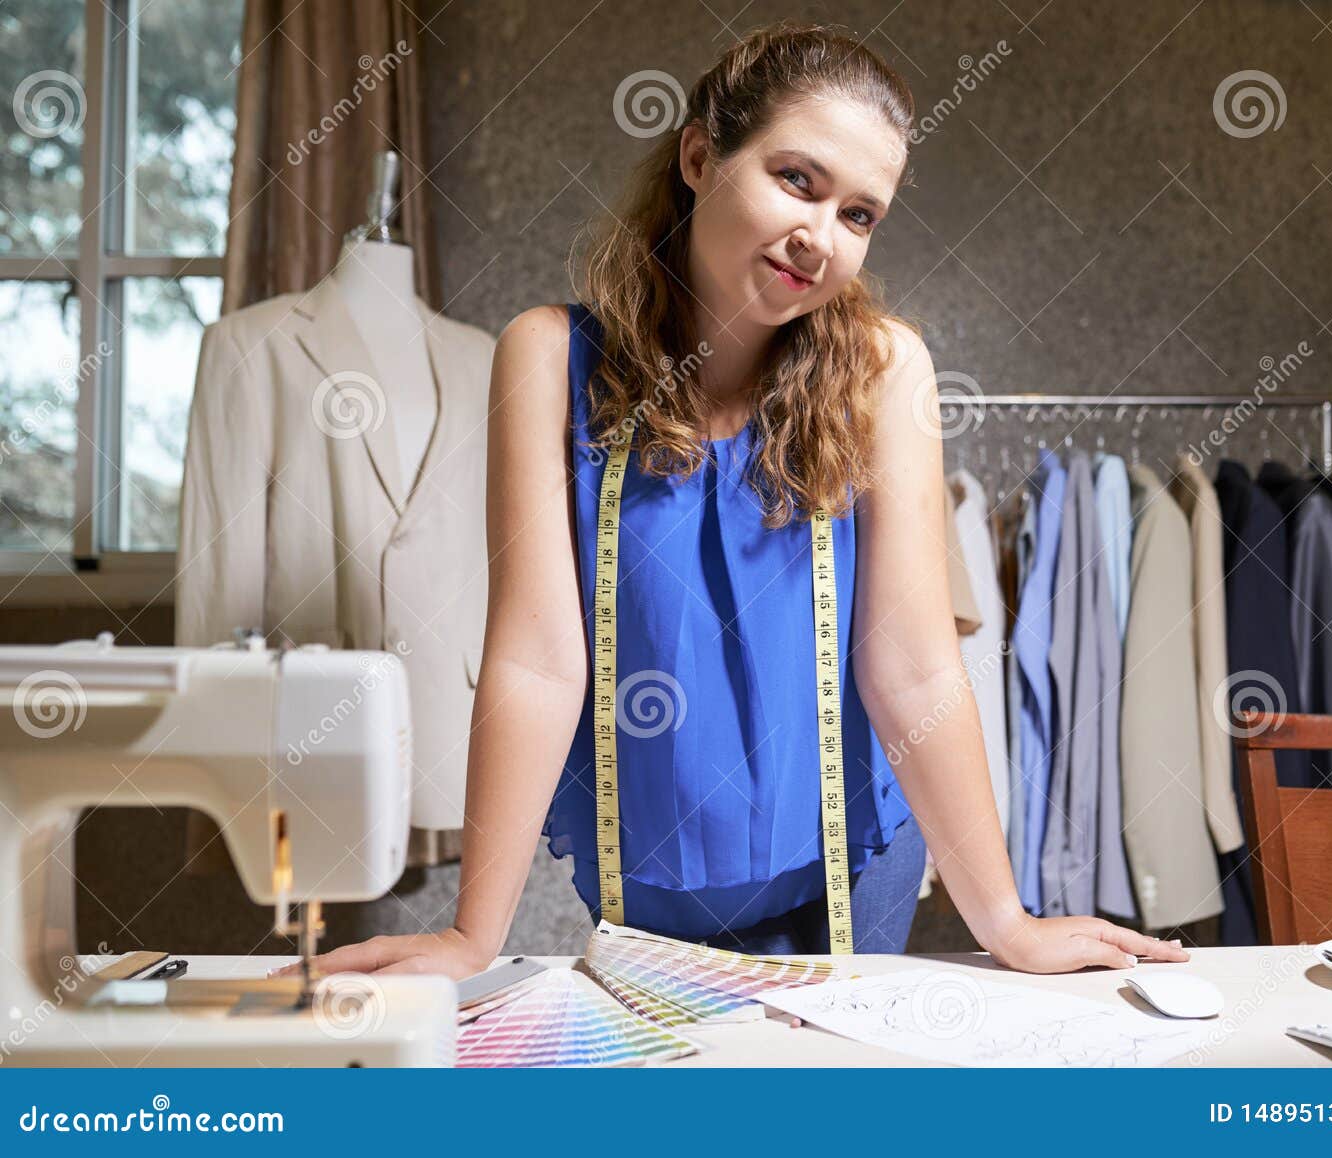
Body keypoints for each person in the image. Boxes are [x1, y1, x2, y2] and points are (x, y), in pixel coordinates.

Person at [280, 22, 1188, 979]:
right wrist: (473, 937)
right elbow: (539, 661)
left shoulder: (883, 371)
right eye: (798, 179)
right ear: (700, 155)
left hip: (845, 867)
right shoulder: (548, 357)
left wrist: (1008, 922)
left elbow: (914, 668)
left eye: (859, 215)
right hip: (650, 867)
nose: (821, 237)